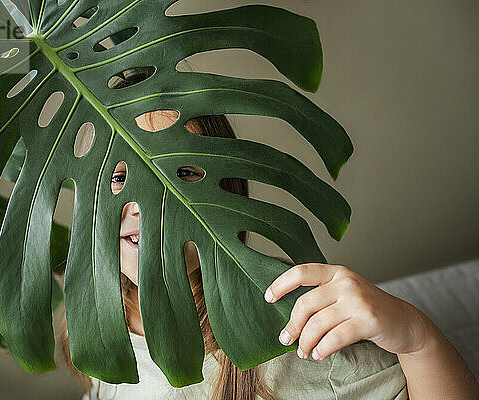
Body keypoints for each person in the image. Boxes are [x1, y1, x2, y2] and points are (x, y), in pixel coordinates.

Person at [58, 72, 479, 400]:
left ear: (229, 192)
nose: (143, 201)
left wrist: (417, 338)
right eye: (118, 176)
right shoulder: (97, 318)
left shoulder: (290, 335)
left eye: (183, 172)